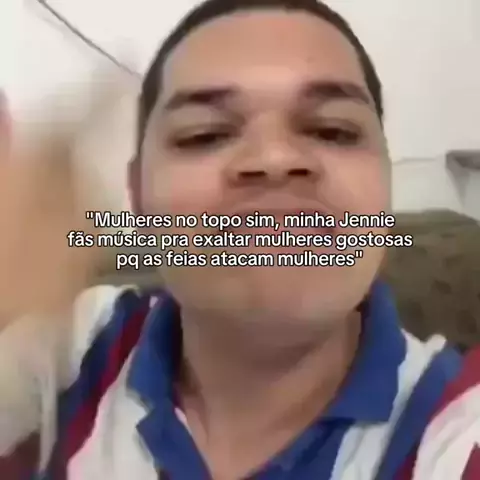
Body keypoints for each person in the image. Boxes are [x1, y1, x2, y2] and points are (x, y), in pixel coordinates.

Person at [0, 0, 479, 478]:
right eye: (205, 135)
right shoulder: (64, 354)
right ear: (139, 197)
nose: (274, 159)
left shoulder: (459, 434)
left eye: (332, 130)